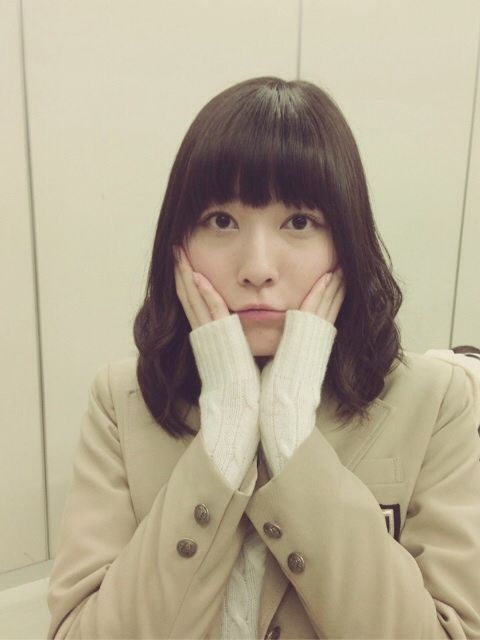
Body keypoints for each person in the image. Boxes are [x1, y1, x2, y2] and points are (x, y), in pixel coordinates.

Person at [46, 77, 480, 639]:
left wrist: (291, 431)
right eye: (221, 221)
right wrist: (226, 431)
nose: (256, 268)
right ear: (178, 245)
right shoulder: (120, 402)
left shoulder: (436, 402)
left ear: (346, 243)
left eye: (299, 222)